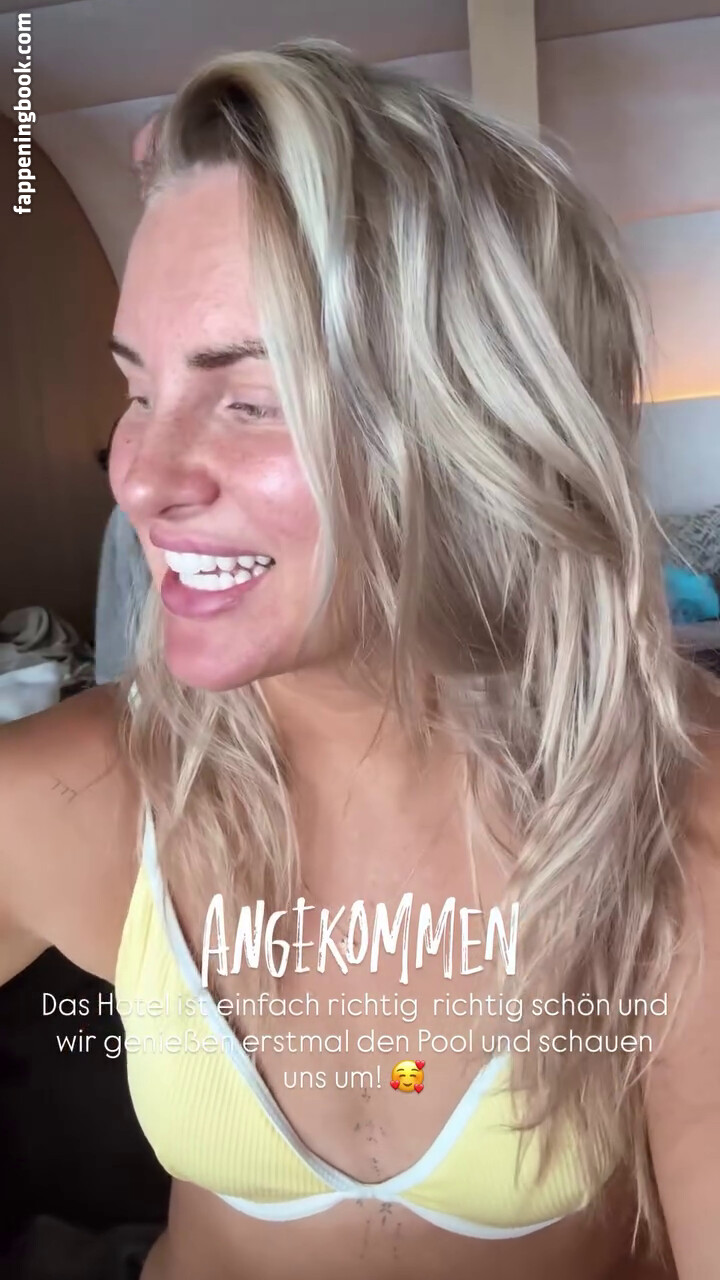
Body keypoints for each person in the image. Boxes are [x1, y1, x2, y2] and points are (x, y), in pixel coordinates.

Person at [1, 39, 719, 1280]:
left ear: (477, 425)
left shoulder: (670, 820)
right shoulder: (77, 794)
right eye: (139, 390)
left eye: (248, 397)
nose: (141, 480)